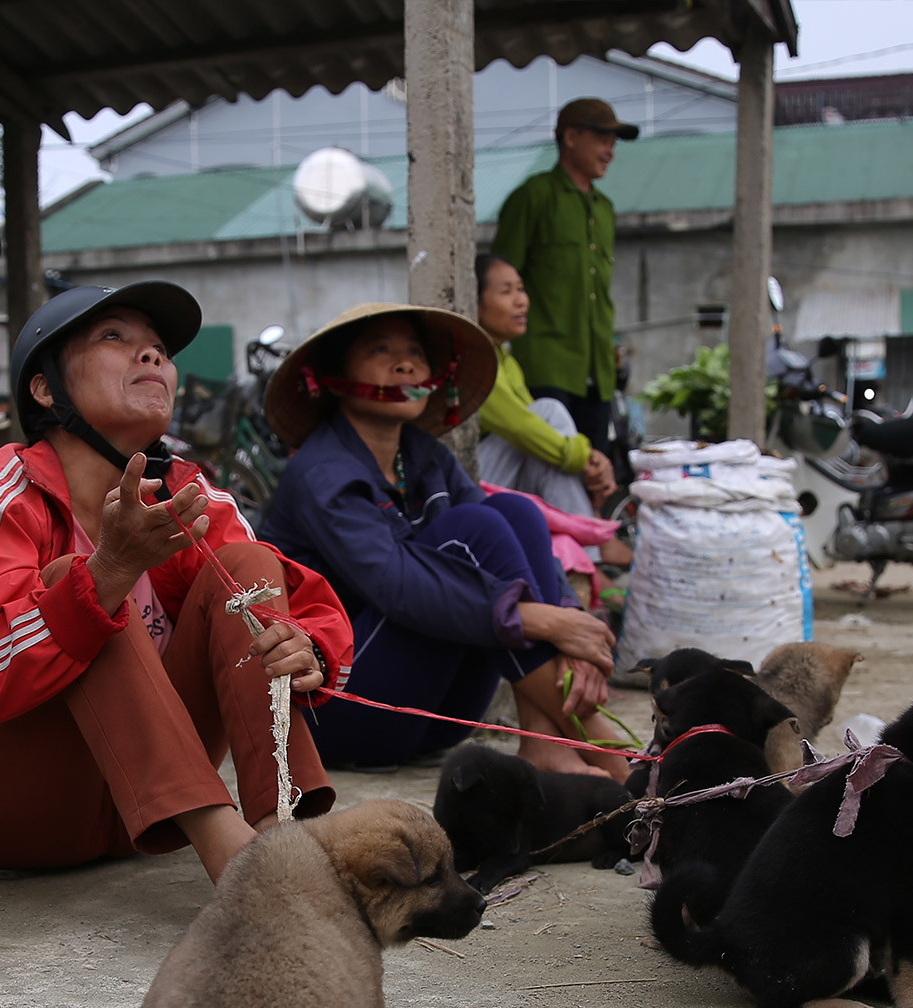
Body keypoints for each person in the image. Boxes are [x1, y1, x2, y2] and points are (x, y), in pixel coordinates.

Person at [0, 282, 354, 882]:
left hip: (144, 813)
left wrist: (306, 645)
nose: (153, 356)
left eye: (160, 347)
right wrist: (108, 572)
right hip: (17, 811)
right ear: (46, 388)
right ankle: (236, 857)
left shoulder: (189, 493)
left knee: (249, 569)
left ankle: (280, 827)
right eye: (115, 337)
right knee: (75, 583)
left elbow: (301, 600)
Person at [257, 302, 626, 779]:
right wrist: (542, 621)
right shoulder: (322, 471)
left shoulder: (425, 457)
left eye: (414, 352)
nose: (405, 363)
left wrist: (571, 624)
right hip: (340, 712)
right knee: (473, 531)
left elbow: (509, 538)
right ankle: (594, 739)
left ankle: (542, 737)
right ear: (332, 376)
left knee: (515, 512)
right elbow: (395, 581)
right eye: (380, 349)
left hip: (432, 717)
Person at [473, 252, 630, 603]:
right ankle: (594, 548)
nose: (521, 300)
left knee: (549, 428)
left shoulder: (506, 360)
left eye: (521, 289)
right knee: (548, 412)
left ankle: (588, 555)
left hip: (500, 478)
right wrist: (586, 457)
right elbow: (523, 428)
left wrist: (585, 458)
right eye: (506, 291)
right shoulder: (476, 357)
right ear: (475, 302)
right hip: (469, 482)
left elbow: (536, 437)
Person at [490, 97, 638, 452]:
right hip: (546, 365)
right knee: (551, 469)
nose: (610, 152)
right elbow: (498, 277)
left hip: (598, 369)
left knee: (597, 473)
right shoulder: (533, 197)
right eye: (603, 140)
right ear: (571, 137)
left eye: (614, 143)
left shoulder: (605, 210)